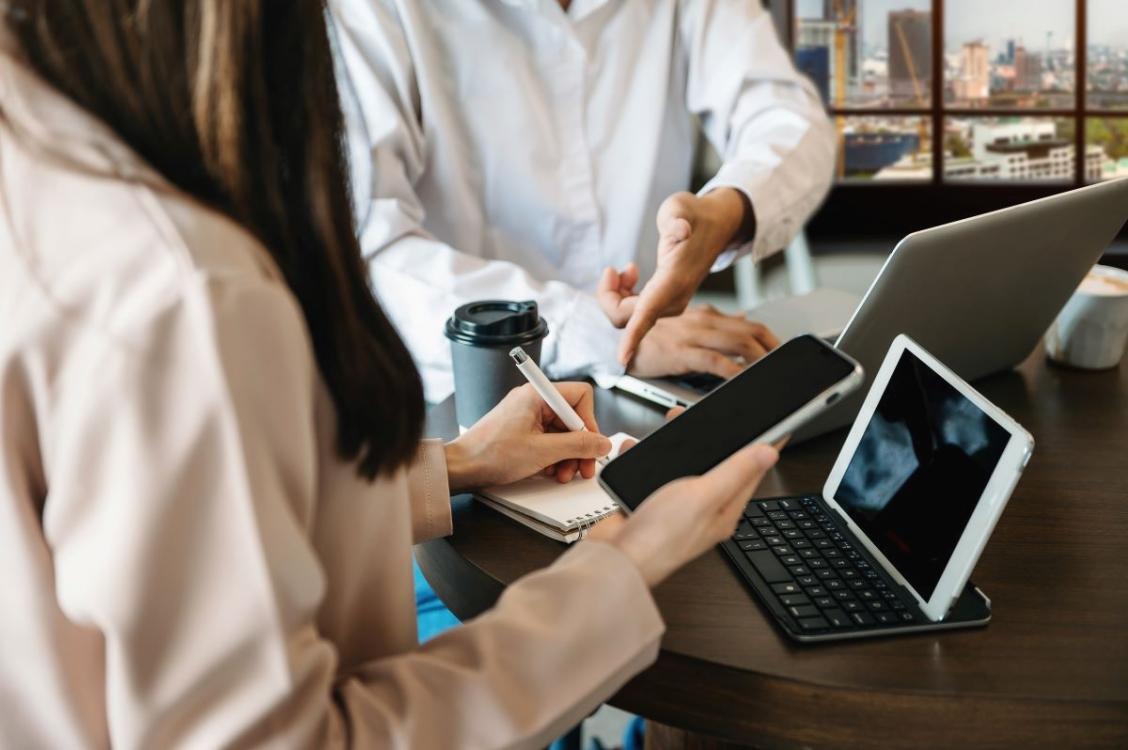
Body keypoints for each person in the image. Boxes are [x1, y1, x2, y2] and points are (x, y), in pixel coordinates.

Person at [0, 3, 780, 747]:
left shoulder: (41, 178)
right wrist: (621, 572)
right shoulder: (191, 292)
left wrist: (457, 465)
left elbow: (156, 531)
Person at [330, 0, 835, 400]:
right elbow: (369, 251)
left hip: (642, 387)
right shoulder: (372, 11)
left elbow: (787, 117)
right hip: (449, 403)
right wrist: (594, 331)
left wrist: (730, 209)